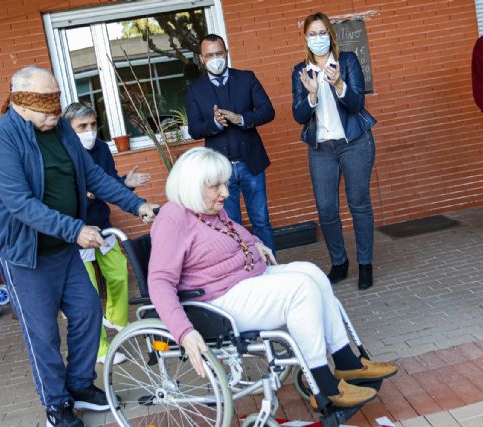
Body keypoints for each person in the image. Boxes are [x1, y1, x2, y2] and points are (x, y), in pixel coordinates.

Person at [148, 147, 398, 410]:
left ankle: (346, 361)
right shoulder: (173, 218)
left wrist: (256, 243)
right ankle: (322, 382)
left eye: (224, 183)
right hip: (219, 303)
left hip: (247, 281)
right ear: (192, 187)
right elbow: (160, 281)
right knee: (300, 290)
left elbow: (234, 233)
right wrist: (184, 332)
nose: (226, 192)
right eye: (216, 186)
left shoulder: (207, 209)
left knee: (311, 272)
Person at [0, 66, 159, 427]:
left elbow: (93, 175)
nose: (55, 111)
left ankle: (79, 386)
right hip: (25, 254)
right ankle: (57, 406)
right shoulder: (1, 138)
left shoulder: (59, 128)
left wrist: (136, 204)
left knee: (88, 312)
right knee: (43, 333)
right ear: (21, 103)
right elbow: (20, 203)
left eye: (56, 100)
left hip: (63, 248)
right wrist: (75, 229)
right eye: (45, 104)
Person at [291, 12, 378, 290]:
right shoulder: (301, 71)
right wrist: (312, 95)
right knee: (326, 209)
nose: (318, 39)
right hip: (322, 148)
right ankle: (339, 263)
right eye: (312, 34)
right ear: (305, 38)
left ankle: (365, 265)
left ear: (330, 34)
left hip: (353, 143)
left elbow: (356, 104)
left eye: (322, 33)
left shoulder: (348, 61)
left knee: (359, 204)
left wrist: (339, 84)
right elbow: (299, 115)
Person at [64, 102, 151, 366]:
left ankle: (115, 319)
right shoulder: (64, 152)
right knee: (87, 293)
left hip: (101, 223)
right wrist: (84, 194)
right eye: (82, 127)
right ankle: (99, 348)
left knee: (118, 271)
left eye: (92, 125)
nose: (89, 131)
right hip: (75, 231)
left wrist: (124, 183)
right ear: (69, 130)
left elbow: (108, 181)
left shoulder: (101, 148)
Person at [186, 34, 276, 252]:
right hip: (220, 172)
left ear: (226, 53)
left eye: (219, 53)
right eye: (209, 55)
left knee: (261, 220)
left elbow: (268, 111)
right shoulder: (195, 90)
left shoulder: (246, 78)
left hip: (251, 163)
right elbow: (194, 129)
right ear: (201, 58)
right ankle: (242, 271)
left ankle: (272, 269)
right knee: (231, 224)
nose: (215, 59)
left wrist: (241, 119)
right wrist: (215, 124)